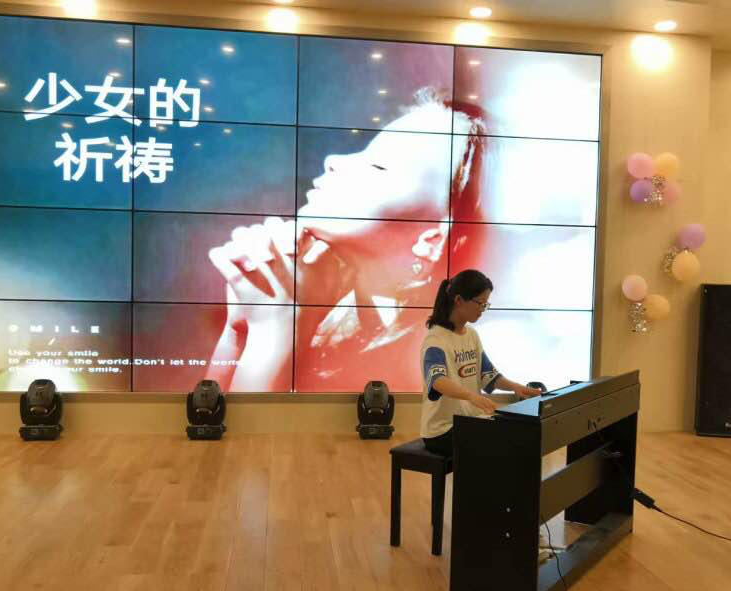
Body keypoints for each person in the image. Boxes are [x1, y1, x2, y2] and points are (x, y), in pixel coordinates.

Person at [205, 88, 490, 391]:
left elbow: (255, 424)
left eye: (378, 165)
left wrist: (278, 327)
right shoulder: (327, 305)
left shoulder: (431, 360)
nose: (333, 160)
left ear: (433, 240)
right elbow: (213, 413)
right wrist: (241, 327)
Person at [419, 269, 555, 563]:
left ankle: (522, 534)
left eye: (486, 304)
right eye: (480, 303)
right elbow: (437, 380)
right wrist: (470, 396)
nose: (483, 309)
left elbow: (488, 375)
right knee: (501, 457)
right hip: (442, 430)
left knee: (518, 451)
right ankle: (504, 538)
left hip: (471, 424)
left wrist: (518, 388)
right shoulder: (436, 340)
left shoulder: (472, 335)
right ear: (459, 300)